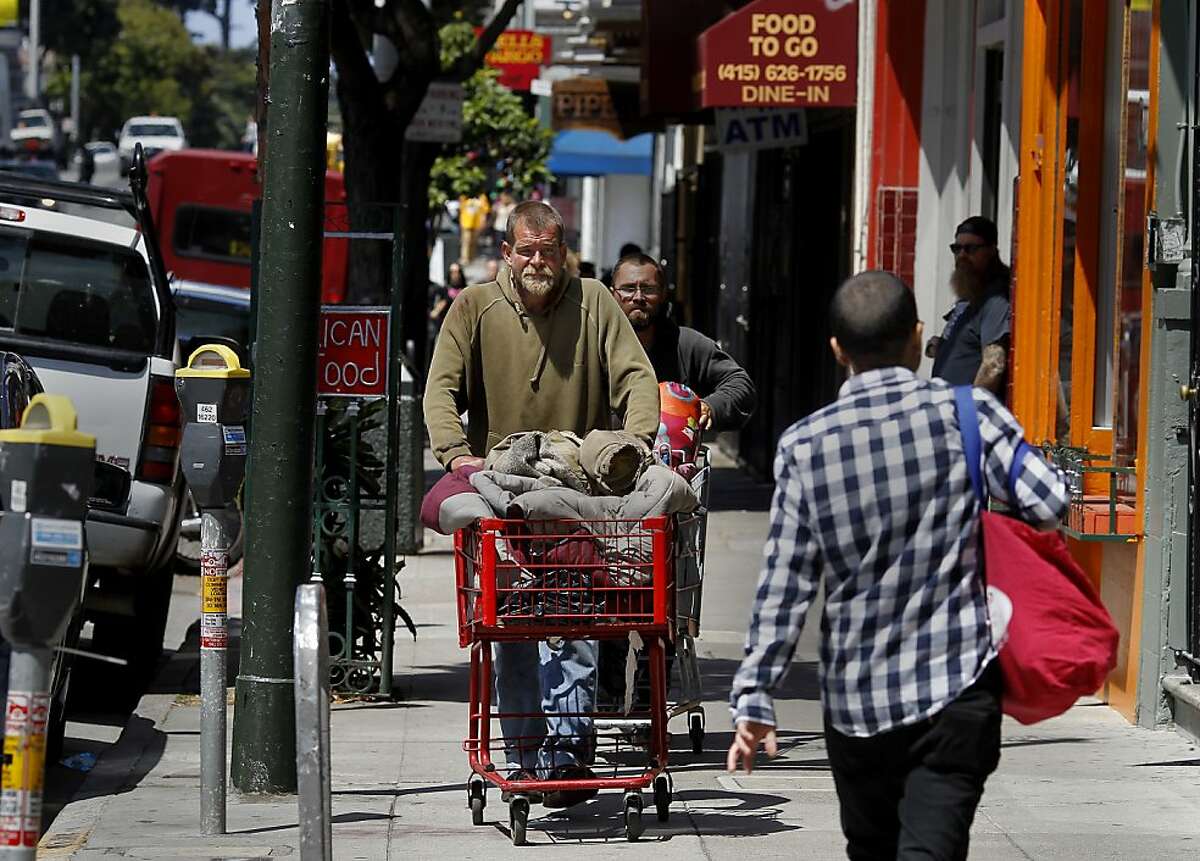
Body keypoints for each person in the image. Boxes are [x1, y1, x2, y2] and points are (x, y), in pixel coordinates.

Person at [727, 271, 1069, 859]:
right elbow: (1050, 504)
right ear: (917, 338)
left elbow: (786, 584)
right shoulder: (971, 415)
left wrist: (756, 695)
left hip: (858, 702)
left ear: (837, 350)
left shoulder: (806, 445)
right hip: (957, 686)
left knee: (873, 848)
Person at [425, 200, 660, 807]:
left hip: (573, 495)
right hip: (500, 497)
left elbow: (635, 376)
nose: (537, 261)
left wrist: (633, 444)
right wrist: (457, 457)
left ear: (564, 253)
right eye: (526, 250)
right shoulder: (473, 308)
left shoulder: (594, 302)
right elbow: (441, 390)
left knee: (574, 622)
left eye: (548, 251)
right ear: (507, 253)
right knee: (512, 628)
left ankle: (568, 754)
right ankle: (528, 755)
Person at [610, 252, 756, 432]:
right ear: (612, 294)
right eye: (628, 289)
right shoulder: (596, 346)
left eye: (648, 289)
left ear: (663, 294)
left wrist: (708, 408)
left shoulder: (686, 344)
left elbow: (740, 384)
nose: (638, 297)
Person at [929, 216, 1012, 396]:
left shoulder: (996, 299)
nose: (962, 255)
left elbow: (993, 365)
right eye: (957, 249)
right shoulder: (971, 294)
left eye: (971, 248)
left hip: (966, 416)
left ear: (991, 250)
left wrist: (972, 414)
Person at [427, 262, 467, 359]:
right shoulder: (442, 291)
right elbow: (434, 313)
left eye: (457, 272)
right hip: (444, 332)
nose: (455, 275)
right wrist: (446, 300)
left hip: (462, 334)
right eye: (452, 272)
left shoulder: (466, 292)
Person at [458, 193, 491, 264]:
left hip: (476, 225)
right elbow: (461, 210)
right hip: (466, 225)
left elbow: (485, 212)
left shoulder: (482, 198)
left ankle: (472, 258)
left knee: (473, 242)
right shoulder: (464, 198)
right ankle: (465, 258)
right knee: (466, 242)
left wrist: (483, 223)